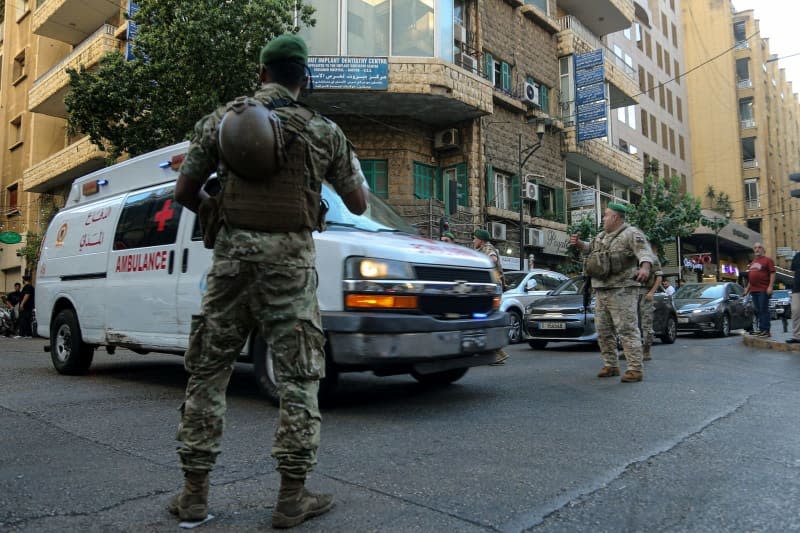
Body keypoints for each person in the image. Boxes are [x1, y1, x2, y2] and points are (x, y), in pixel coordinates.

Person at [171, 34, 367, 528]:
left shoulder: (221, 121)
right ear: (304, 79)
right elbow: (360, 203)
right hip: (291, 268)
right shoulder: (325, 130)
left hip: (231, 264)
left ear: (262, 74)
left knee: (208, 372)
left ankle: (194, 495)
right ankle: (290, 498)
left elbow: (184, 191)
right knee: (299, 378)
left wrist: (221, 210)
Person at [569, 203, 654, 382]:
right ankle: (611, 365)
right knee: (603, 330)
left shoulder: (631, 233)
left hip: (622, 289)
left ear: (615, 217)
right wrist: (578, 244)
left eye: (606, 215)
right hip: (601, 288)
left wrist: (645, 268)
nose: (603, 218)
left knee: (626, 329)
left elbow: (645, 253)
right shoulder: (600, 236)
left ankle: (635, 369)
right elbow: (589, 249)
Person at [473, 228, 509, 365]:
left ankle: (497, 353)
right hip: (489, 288)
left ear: (480, 240)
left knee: (487, 318)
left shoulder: (487, 248)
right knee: (484, 319)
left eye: (475, 238)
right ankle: (496, 353)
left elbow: (493, 258)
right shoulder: (481, 249)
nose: (473, 241)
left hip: (492, 288)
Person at [744, 242, 775, 337]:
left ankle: (766, 330)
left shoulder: (768, 260)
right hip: (754, 290)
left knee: (763, 309)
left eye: (759, 247)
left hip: (763, 289)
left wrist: (770, 286)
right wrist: (747, 289)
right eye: (755, 248)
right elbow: (751, 278)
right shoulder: (753, 262)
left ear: (763, 250)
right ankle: (762, 329)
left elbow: (772, 273)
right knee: (758, 310)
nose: (757, 249)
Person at [638, 245, 663, 361]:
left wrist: (651, 292)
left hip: (645, 293)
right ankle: (633, 350)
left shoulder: (652, 258)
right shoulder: (633, 258)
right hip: (632, 294)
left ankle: (646, 350)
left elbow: (659, 278)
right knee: (631, 324)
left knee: (646, 323)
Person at [788, 251, 800, 344]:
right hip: (797, 288)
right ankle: (797, 336)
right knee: (795, 311)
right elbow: (793, 272)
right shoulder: (797, 256)